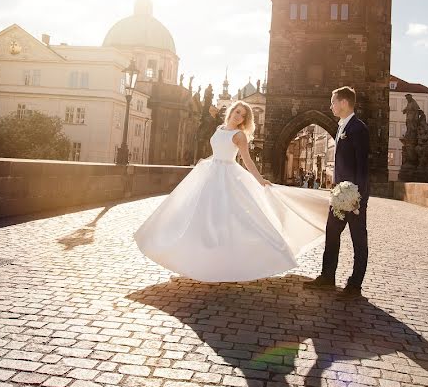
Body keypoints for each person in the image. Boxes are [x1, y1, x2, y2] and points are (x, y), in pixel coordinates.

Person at [135, 100, 329, 282]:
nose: (239, 117)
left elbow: (246, 160)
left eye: (243, 116)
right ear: (231, 111)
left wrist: (260, 180)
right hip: (211, 172)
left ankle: (233, 262)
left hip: (227, 176)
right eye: (237, 112)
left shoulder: (239, 136)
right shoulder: (220, 129)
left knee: (230, 219)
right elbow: (217, 150)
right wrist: (206, 163)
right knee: (198, 216)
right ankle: (198, 259)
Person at [304, 86, 370, 299]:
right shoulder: (342, 126)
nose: (330, 106)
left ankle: (355, 285)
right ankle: (327, 276)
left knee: (358, 239)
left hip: (353, 197)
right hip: (340, 195)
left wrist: (359, 198)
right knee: (332, 234)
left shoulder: (358, 128)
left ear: (343, 102)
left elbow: (362, 166)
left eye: (333, 101)